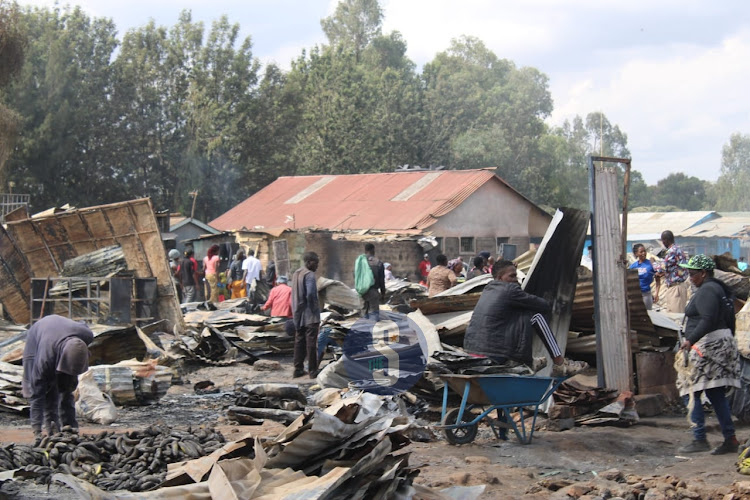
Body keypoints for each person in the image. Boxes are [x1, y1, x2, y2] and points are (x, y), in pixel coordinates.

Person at [675, 254, 740, 455]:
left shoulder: (707, 291)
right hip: (718, 343)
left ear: (703, 274)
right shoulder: (719, 290)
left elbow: (707, 319)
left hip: (706, 346)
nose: (689, 278)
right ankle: (730, 438)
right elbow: (729, 320)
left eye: (693, 274)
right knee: (715, 393)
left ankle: (699, 438)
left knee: (689, 391)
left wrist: (689, 340)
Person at [464, 260, 564, 368]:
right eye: (512, 276)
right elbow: (544, 306)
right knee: (536, 316)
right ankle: (559, 362)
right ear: (499, 277)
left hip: (472, 349)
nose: (516, 280)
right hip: (493, 353)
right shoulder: (510, 290)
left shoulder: (488, 290)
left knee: (521, 311)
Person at [22, 315, 94, 438]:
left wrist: (69, 379)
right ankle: (51, 427)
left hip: (60, 338)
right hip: (38, 335)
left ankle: (70, 427)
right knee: (45, 390)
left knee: (67, 388)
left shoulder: (87, 335)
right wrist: (37, 431)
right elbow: (37, 396)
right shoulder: (45, 359)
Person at [292, 252, 321, 378]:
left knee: (299, 341)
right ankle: (313, 371)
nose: (317, 266)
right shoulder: (309, 275)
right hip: (309, 315)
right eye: (316, 263)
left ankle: (298, 369)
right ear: (309, 262)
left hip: (298, 313)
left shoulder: (296, 273)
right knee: (311, 343)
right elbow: (310, 294)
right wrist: (315, 308)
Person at [659, 230, 689, 313]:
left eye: (662, 240)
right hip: (674, 287)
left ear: (666, 240)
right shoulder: (678, 250)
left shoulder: (672, 251)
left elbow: (662, 267)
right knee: (671, 315)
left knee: (676, 317)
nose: (663, 243)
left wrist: (652, 263)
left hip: (676, 288)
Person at [356, 243, 386, 322]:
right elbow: (381, 279)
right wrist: (383, 293)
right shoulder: (378, 262)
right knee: (374, 313)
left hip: (362, 291)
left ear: (365, 250)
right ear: (373, 250)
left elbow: (356, 275)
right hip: (373, 290)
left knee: (363, 313)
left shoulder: (359, 261)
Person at [629, 243, 659, 310]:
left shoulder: (651, 264)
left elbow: (658, 277)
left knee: (648, 314)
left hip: (646, 295)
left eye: (644, 251)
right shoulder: (633, 266)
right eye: (641, 252)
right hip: (635, 295)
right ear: (636, 254)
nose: (643, 253)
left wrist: (656, 294)